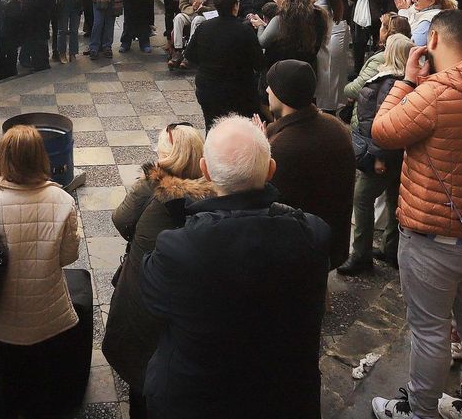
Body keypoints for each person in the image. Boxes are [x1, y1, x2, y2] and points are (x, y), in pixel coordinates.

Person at [370, 10, 462, 419]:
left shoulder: (434, 93)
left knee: (430, 331)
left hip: (434, 236)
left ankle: (419, 411)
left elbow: (382, 131)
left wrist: (405, 80)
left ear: (433, 40)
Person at [139, 115, 331, 419]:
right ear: (271, 170)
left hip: (198, 402)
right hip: (283, 399)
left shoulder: (179, 249)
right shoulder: (313, 236)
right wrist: (256, 154)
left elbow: (150, 296)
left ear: (205, 171)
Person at [0, 125, 84, 418]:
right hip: (48, 316)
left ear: (2, 157)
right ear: (40, 158)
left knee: (6, 386)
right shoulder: (64, 201)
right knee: (40, 384)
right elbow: (68, 257)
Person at [103, 123, 212, 418]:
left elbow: (120, 219)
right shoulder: (212, 193)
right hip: (190, 300)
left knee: (141, 363)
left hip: (145, 291)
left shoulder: (150, 187)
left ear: (168, 154)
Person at [265, 59, 354, 269]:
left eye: (272, 85)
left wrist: (262, 151)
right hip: (333, 243)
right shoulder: (335, 126)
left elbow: (266, 198)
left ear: (282, 93)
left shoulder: (283, 148)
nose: (267, 89)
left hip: (300, 253)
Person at [341, 34, 411, 275]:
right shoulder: (403, 80)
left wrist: (379, 155)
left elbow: (383, 121)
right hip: (395, 152)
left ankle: (361, 254)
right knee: (393, 198)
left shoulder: (390, 82)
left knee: (361, 199)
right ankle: (391, 247)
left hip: (382, 152)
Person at [187, 0, 265, 125]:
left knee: (212, 127)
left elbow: (190, 55)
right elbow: (258, 63)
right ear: (235, 6)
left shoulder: (204, 27)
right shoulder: (244, 30)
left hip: (208, 87)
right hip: (238, 91)